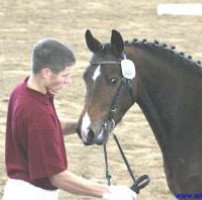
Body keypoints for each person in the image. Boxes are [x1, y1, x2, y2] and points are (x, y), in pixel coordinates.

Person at [3, 38, 137, 200]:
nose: (68, 81)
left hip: (20, 190)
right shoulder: (37, 115)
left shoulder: (23, 91)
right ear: (46, 73)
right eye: (64, 76)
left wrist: (81, 125)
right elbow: (58, 177)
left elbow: (47, 128)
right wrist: (109, 192)